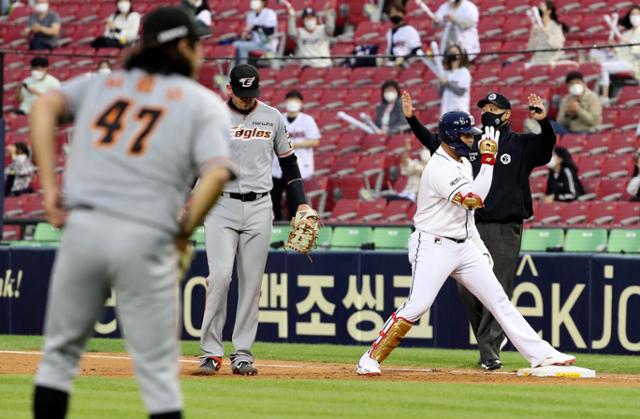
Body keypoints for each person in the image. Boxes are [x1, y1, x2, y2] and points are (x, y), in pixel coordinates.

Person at [31, 7, 235, 419]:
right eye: (196, 43)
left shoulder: (101, 85)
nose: (199, 52)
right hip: (147, 235)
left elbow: (43, 107)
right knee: (158, 376)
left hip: (84, 228)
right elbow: (215, 175)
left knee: (57, 360)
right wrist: (185, 232)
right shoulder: (202, 103)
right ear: (181, 46)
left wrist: (50, 188)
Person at [356, 111, 576, 376]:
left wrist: (478, 245)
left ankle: (541, 354)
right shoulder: (438, 167)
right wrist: (489, 162)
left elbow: (467, 215)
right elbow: (474, 200)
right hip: (434, 245)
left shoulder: (460, 161)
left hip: (463, 243)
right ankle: (370, 358)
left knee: (498, 300)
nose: (470, 139)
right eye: (464, 135)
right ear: (450, 136)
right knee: (418, 304)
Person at [401, 90, 557, 370]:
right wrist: (412, 120)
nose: (487, 112)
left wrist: (544, 122)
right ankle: (488, 343)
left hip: (505, 225)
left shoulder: (520, 143)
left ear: (507, 114)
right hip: (471, 225)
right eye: (484, 107)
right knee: (468, 291)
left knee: (497, 289)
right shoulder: (470, 143)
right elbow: (435, 142)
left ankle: (489, 351)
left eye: (494, 108)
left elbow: (546, 149)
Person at [197, 64, 316, 376]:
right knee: (221, 277)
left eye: (251, 94)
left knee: (251, 284)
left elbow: (289, 164)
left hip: (261, 206)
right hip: (220, 205)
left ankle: (243, 354)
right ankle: (210, 352)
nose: (247, 100)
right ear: (229, 90)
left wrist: (301, 204)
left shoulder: (272, 116)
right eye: (241, 94)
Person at [271, 90, 320, 220]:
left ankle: (295, 228)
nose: (292, 103)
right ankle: (277, 226)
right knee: (273, 199)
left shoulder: (307, 120)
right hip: (277, 166)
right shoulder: (279, 118)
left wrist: (293, 145)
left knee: (294, 201)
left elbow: (315, 141)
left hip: (299, 165)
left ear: (301, 103)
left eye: (296, 100)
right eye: (290, 100)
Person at [592, 5, 640, 99]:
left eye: (637, 14)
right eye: (632, 14)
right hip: (622, 61)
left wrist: (630, 44)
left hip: (633, 64)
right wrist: (614, 46)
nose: (635, 17)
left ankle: (604, 96)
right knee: (599, 63)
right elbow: (620, 52)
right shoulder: (626, 33)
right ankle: (601, 95)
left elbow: (637, 52)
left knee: (604, 66)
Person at [283, 0, 335, 68]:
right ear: (303, 20)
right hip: (308, 67)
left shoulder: (322, 29)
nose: (310, 20)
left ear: (316, 19)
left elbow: (330, 28)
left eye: (312, 17)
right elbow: (292, 33)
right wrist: (292, 17)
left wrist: (328, 14)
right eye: (307, 18)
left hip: (325, 65)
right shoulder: (300, 32)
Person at [232, 0, 278, 65]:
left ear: (263, 2)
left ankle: (242, 70)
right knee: (236, 44)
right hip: (255, 43)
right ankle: (236, 68)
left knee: (241, 46)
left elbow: (270, 31)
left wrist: (255, 27)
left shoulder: (270, 13)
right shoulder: (250, 15)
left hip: (267, 44)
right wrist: (246, 36)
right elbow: (249, 33)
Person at [386, 137, 429, 203]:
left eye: (426, 148)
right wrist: (406, 150)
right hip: (405, 193)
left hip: (414, 197)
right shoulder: (415, 162)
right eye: (422, 148)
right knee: (386, 199)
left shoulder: (433, 167)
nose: (424, 151)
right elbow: (405, 163)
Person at [385, 0, 424, 67]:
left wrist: (405, 59)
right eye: (392, 13)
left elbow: (417, 51)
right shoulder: (389, 33)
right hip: (392, 64)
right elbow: (389, 53)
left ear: (403, 13)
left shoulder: (410, 30)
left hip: (406, 64)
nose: (395, 15)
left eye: (397, 12)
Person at [526, 1, 566, 67]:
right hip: (536, 62)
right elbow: (531, 49)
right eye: (540, 6)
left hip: (551, 61)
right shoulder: (536, 27)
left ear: (549, 11)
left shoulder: (556, 26)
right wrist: (533, 36)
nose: (540, 8)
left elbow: (558, 45)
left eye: (543, 6)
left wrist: (547, 33)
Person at [439, 43, 471, 115]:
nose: (452, 54)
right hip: (446, 112)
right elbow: (440, 94)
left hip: (459, 111)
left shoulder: (464, 72)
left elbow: (461, 92)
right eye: (450, 52)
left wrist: (447, 83)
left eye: (455, 51)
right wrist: (441, 84)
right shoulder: (445, 73)